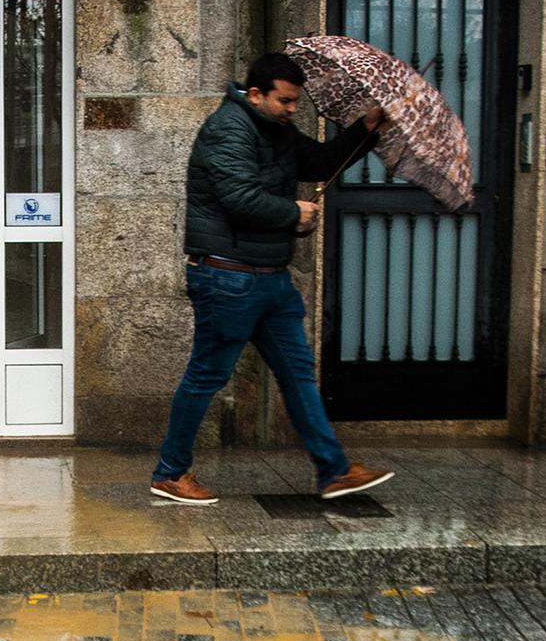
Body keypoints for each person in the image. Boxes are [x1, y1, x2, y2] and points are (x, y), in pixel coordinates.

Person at [149, 52, 396, 506]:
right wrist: (292, 212)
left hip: (270, 280)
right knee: (207, 375)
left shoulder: (276, 130)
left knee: (298, 373)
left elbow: (320, 162)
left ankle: (333, 470)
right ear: (256, 94)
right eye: (284, 101)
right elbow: (238, 197)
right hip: (226, 277)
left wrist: (367, 127)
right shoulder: (227, 129)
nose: (291, 109)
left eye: (295, 102)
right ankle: (170, 472)